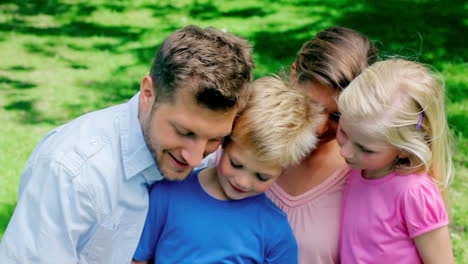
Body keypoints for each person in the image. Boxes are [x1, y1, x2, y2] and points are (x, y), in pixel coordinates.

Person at [0, 25, 254, 263]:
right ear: (148, 94)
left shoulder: (225, 162)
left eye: (214, 138)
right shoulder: (72, 172)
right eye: (183, 131)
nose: (196, 158)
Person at [131, 76, 324, 264]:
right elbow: (138, 258)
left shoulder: (274, 229)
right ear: (223, 141)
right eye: (236, 164)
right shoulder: (167, 194)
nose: (243, 181)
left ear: (283, 170)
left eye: (262, 176)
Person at [265, 26, 379, 263]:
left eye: (338, 116)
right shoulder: (245, 141)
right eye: (311, 106)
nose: (319, 128)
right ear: (294, 74)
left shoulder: (365, 173)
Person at [337, 59, 454, 263]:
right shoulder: (358, 169)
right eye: (344, 132)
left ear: (403, 150)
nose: (346, 152)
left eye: (365, 149)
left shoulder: (414, 193)